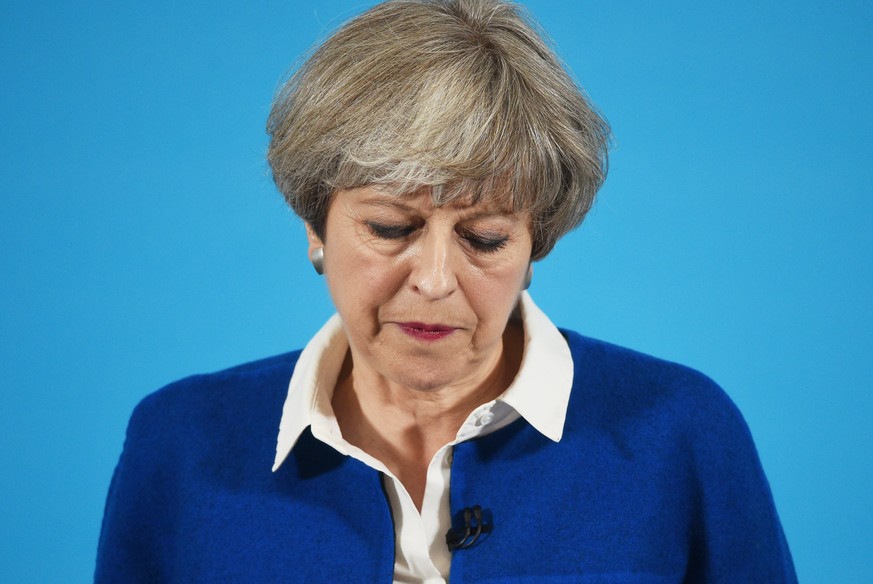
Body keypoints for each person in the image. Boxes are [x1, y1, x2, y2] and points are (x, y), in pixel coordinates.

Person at [95, 1, 797, 582]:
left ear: (534, 245)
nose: (433, 281)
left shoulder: (679, 432)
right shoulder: (181, 443)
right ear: (314, 223)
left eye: (484, 238)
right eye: (390, 227)